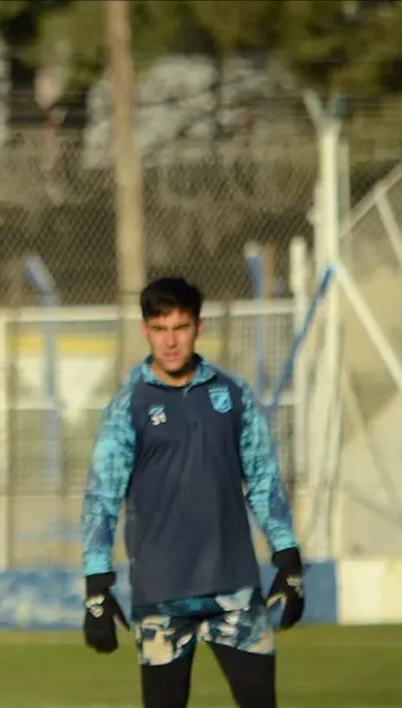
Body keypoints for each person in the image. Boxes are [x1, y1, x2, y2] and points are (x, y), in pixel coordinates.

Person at [80, 276, 305, 708]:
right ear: (145, 331)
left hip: (235, 591)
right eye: (160, 329)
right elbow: (101, 499)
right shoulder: (127, 407)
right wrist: (96, 585)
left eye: (180, 327)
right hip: (161, 596)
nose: (170, 341)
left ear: (198, 327)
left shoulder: (232, 394)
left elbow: (263, 477)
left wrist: (288, 556)